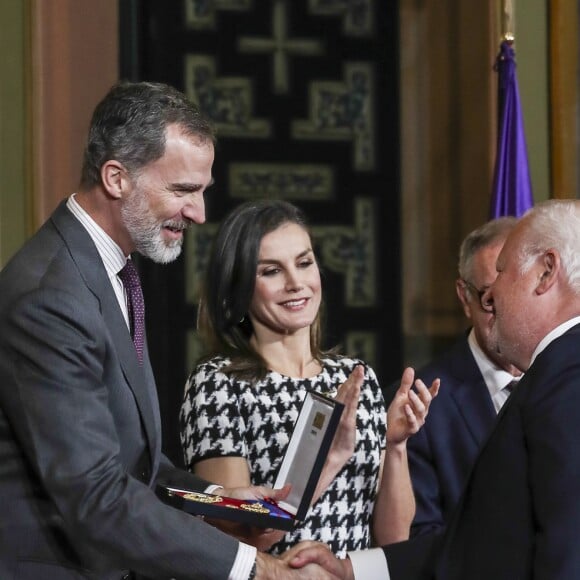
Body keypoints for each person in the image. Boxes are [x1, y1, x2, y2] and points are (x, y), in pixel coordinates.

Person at [0, 81, 342, 579]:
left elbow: (135, 463)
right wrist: (255, 568)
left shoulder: (112, 268)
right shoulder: (50, 297)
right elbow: (96, 496)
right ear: (116, 178)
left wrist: (217, 500)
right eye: (182, 191)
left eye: (202, 191)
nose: (199, 213)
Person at [286, 199, 580, 579]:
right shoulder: (554, 373)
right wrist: (351, 569)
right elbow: (484, 539)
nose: (489, 298)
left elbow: (571, 549)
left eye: (503, 272)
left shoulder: (568, 376)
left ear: (545, 272)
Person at [180, 199, 440, 558]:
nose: (296, 282)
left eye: (304, 263)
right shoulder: (218, 384)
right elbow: (237, 540)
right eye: (271, 271)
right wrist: (326, 458)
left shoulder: (354, 378)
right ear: (239, 286)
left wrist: (395, 447)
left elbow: (393, 540)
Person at [384, 217, 522, 537]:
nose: (507, 313)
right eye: (489, 299)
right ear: (464, 297)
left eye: (516, 294)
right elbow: (418, 542)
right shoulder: (418, 407)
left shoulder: (565, 381)